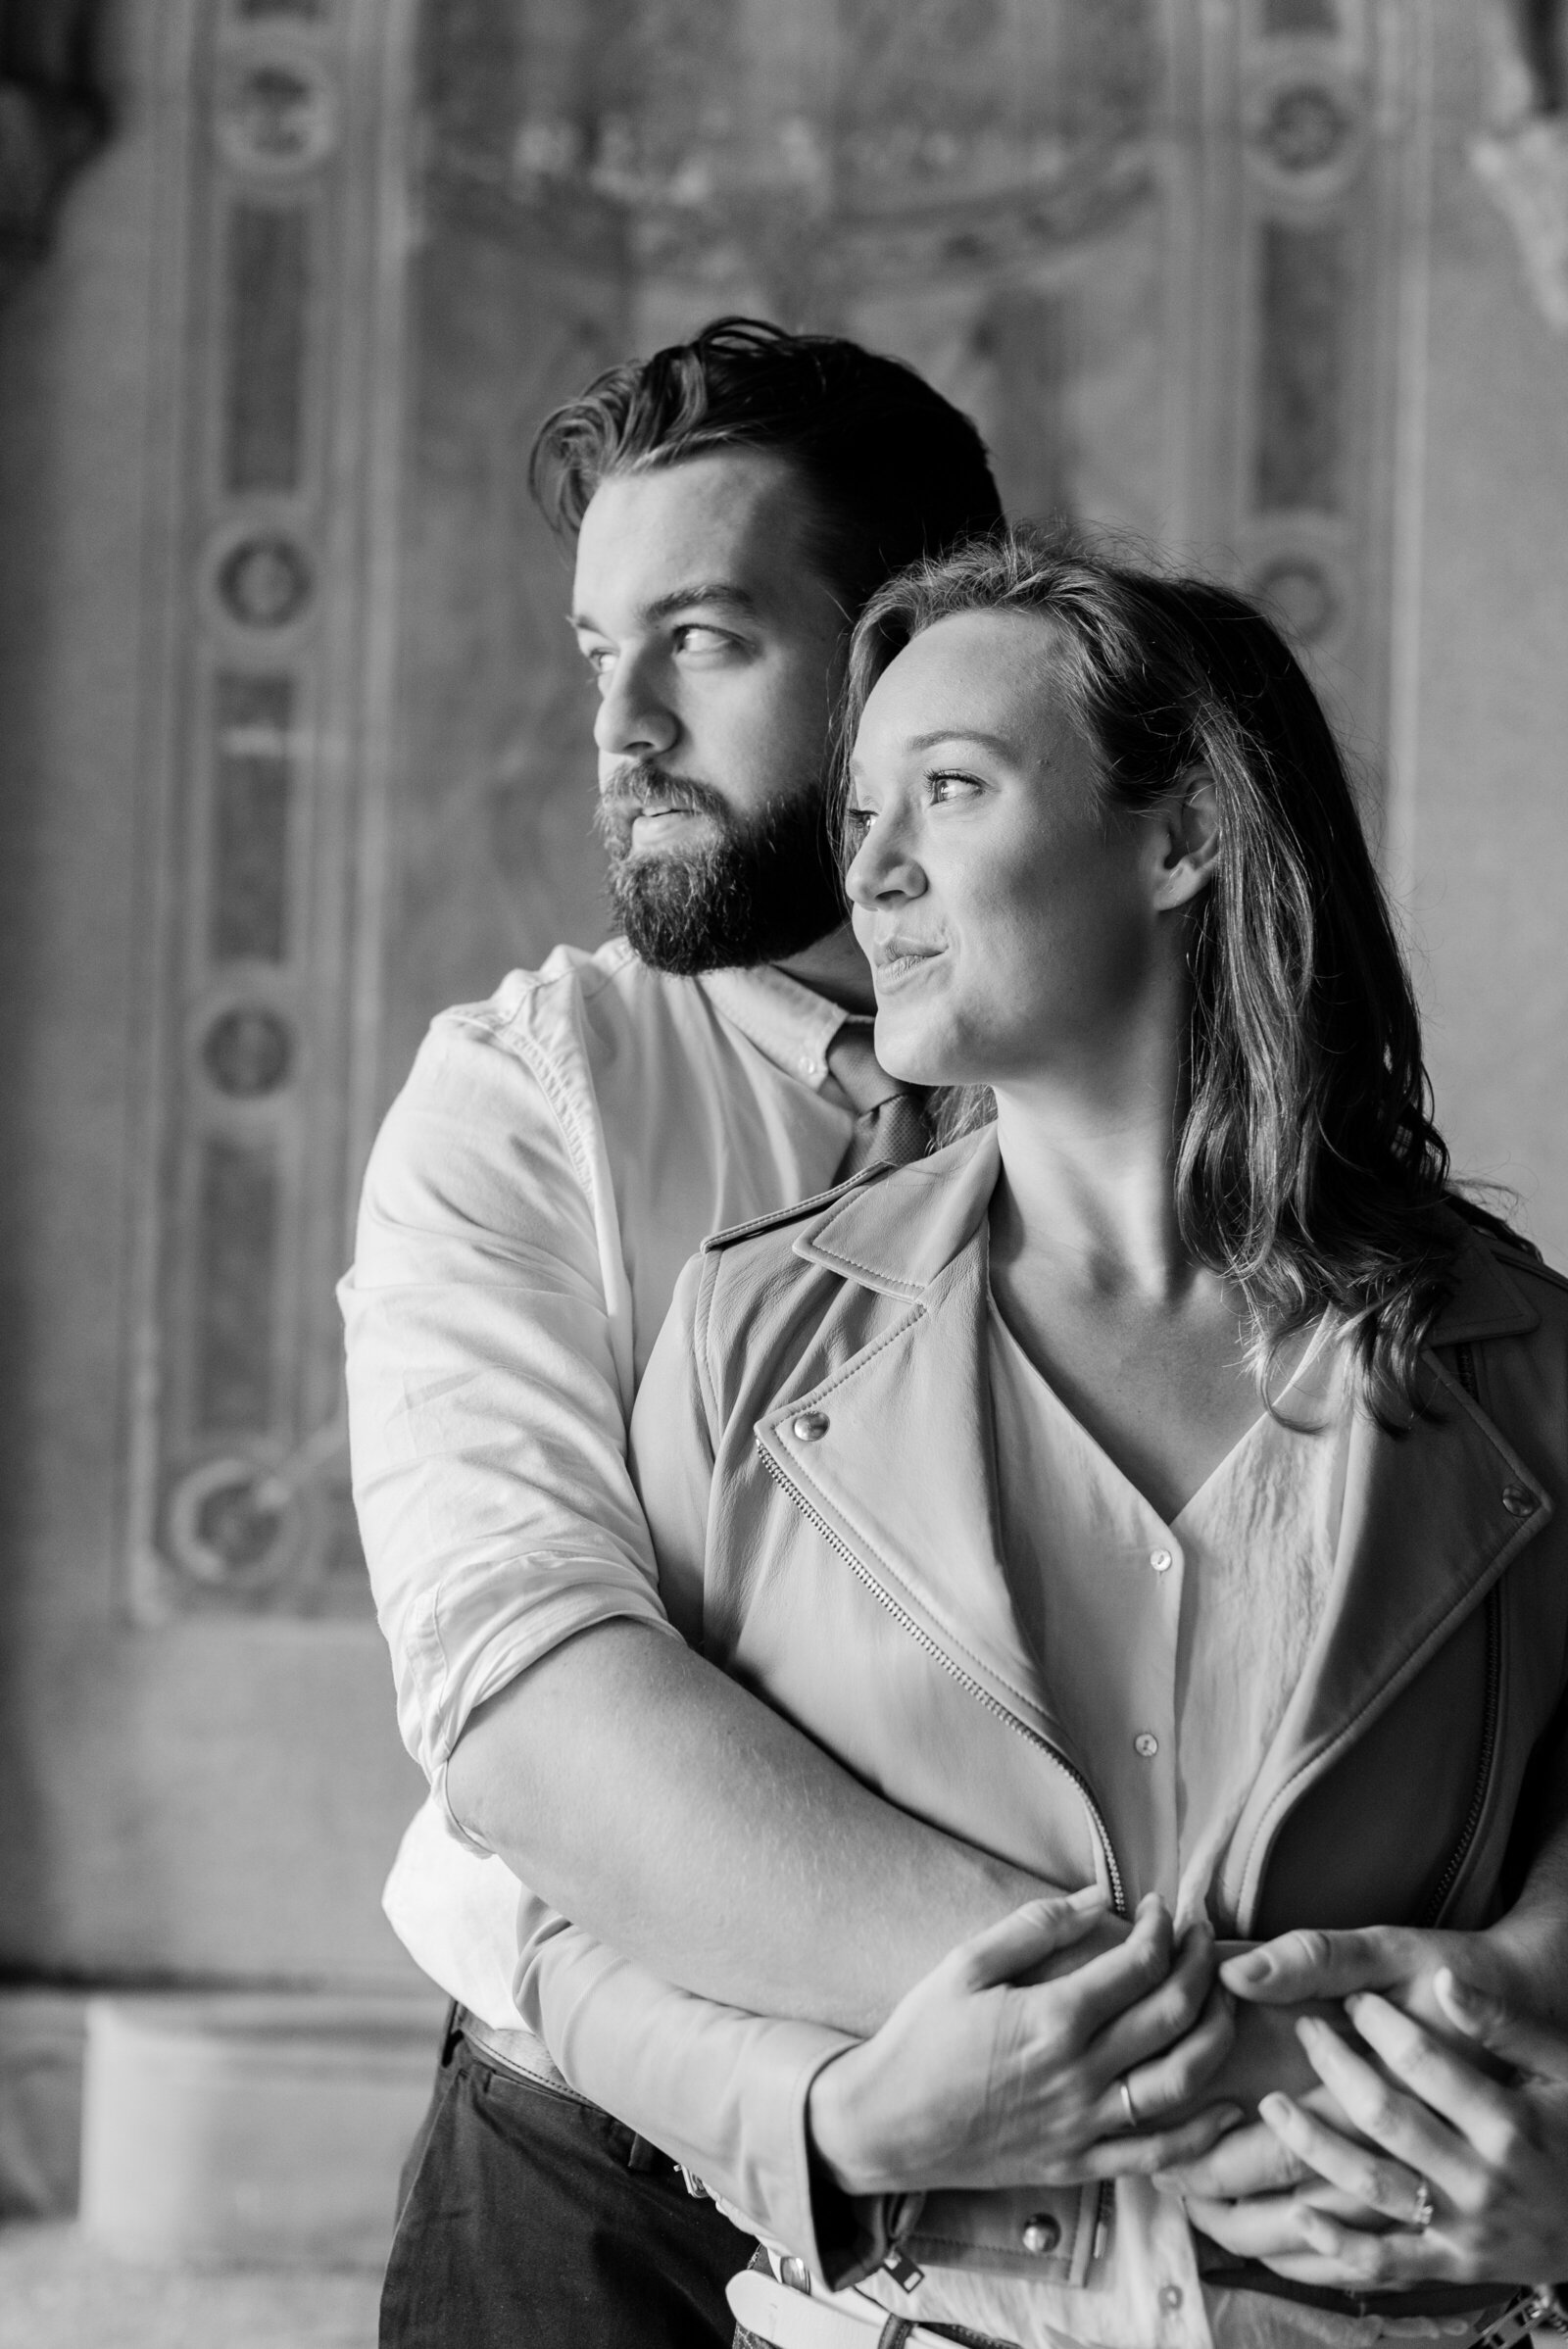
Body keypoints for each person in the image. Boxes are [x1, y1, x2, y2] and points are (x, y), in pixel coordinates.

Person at [562, 529, 1568, 2348]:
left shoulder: (1528, 1370)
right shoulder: (743, 1339)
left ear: (1181, 840)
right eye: (864, 807)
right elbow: (569, 1935)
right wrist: (829, 2121)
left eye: (948, 790)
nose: (866, 870)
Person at [346, 320, 1225, 2349]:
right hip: (591, 2170)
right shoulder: (526, 1103)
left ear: (910, 643)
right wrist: (1182, 2046)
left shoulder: (1174, 1085)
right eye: (598, 652)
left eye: (705, 639)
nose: (621, 724)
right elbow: (531, 1714)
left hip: (1072, 2220)